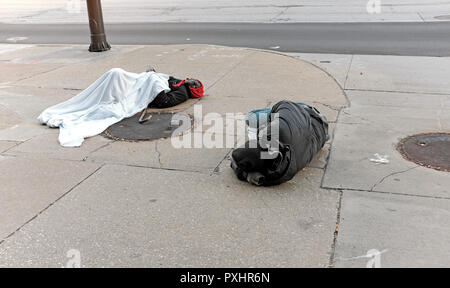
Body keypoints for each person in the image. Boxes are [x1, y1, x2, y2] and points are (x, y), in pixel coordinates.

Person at [38, 68, 203, 147]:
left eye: (196, 84)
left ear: (193, 89)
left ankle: (100, 102)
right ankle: (98, 97)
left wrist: (154, 81)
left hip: (136, 95)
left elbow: (163, 101)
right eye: (195, 79)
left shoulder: (182, 92)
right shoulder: (177, 80)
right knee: (114, 74)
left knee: (116, 76)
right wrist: (153, 75)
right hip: (137, 84)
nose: (193, 80)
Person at [231, 100, 329, 186]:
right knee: (251, 117)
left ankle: (324, 136)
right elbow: (285, 104)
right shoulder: (277, 131)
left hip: (320, 136)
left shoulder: (275, 174)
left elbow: (240, 168)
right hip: (309, 114)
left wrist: (245, 173)